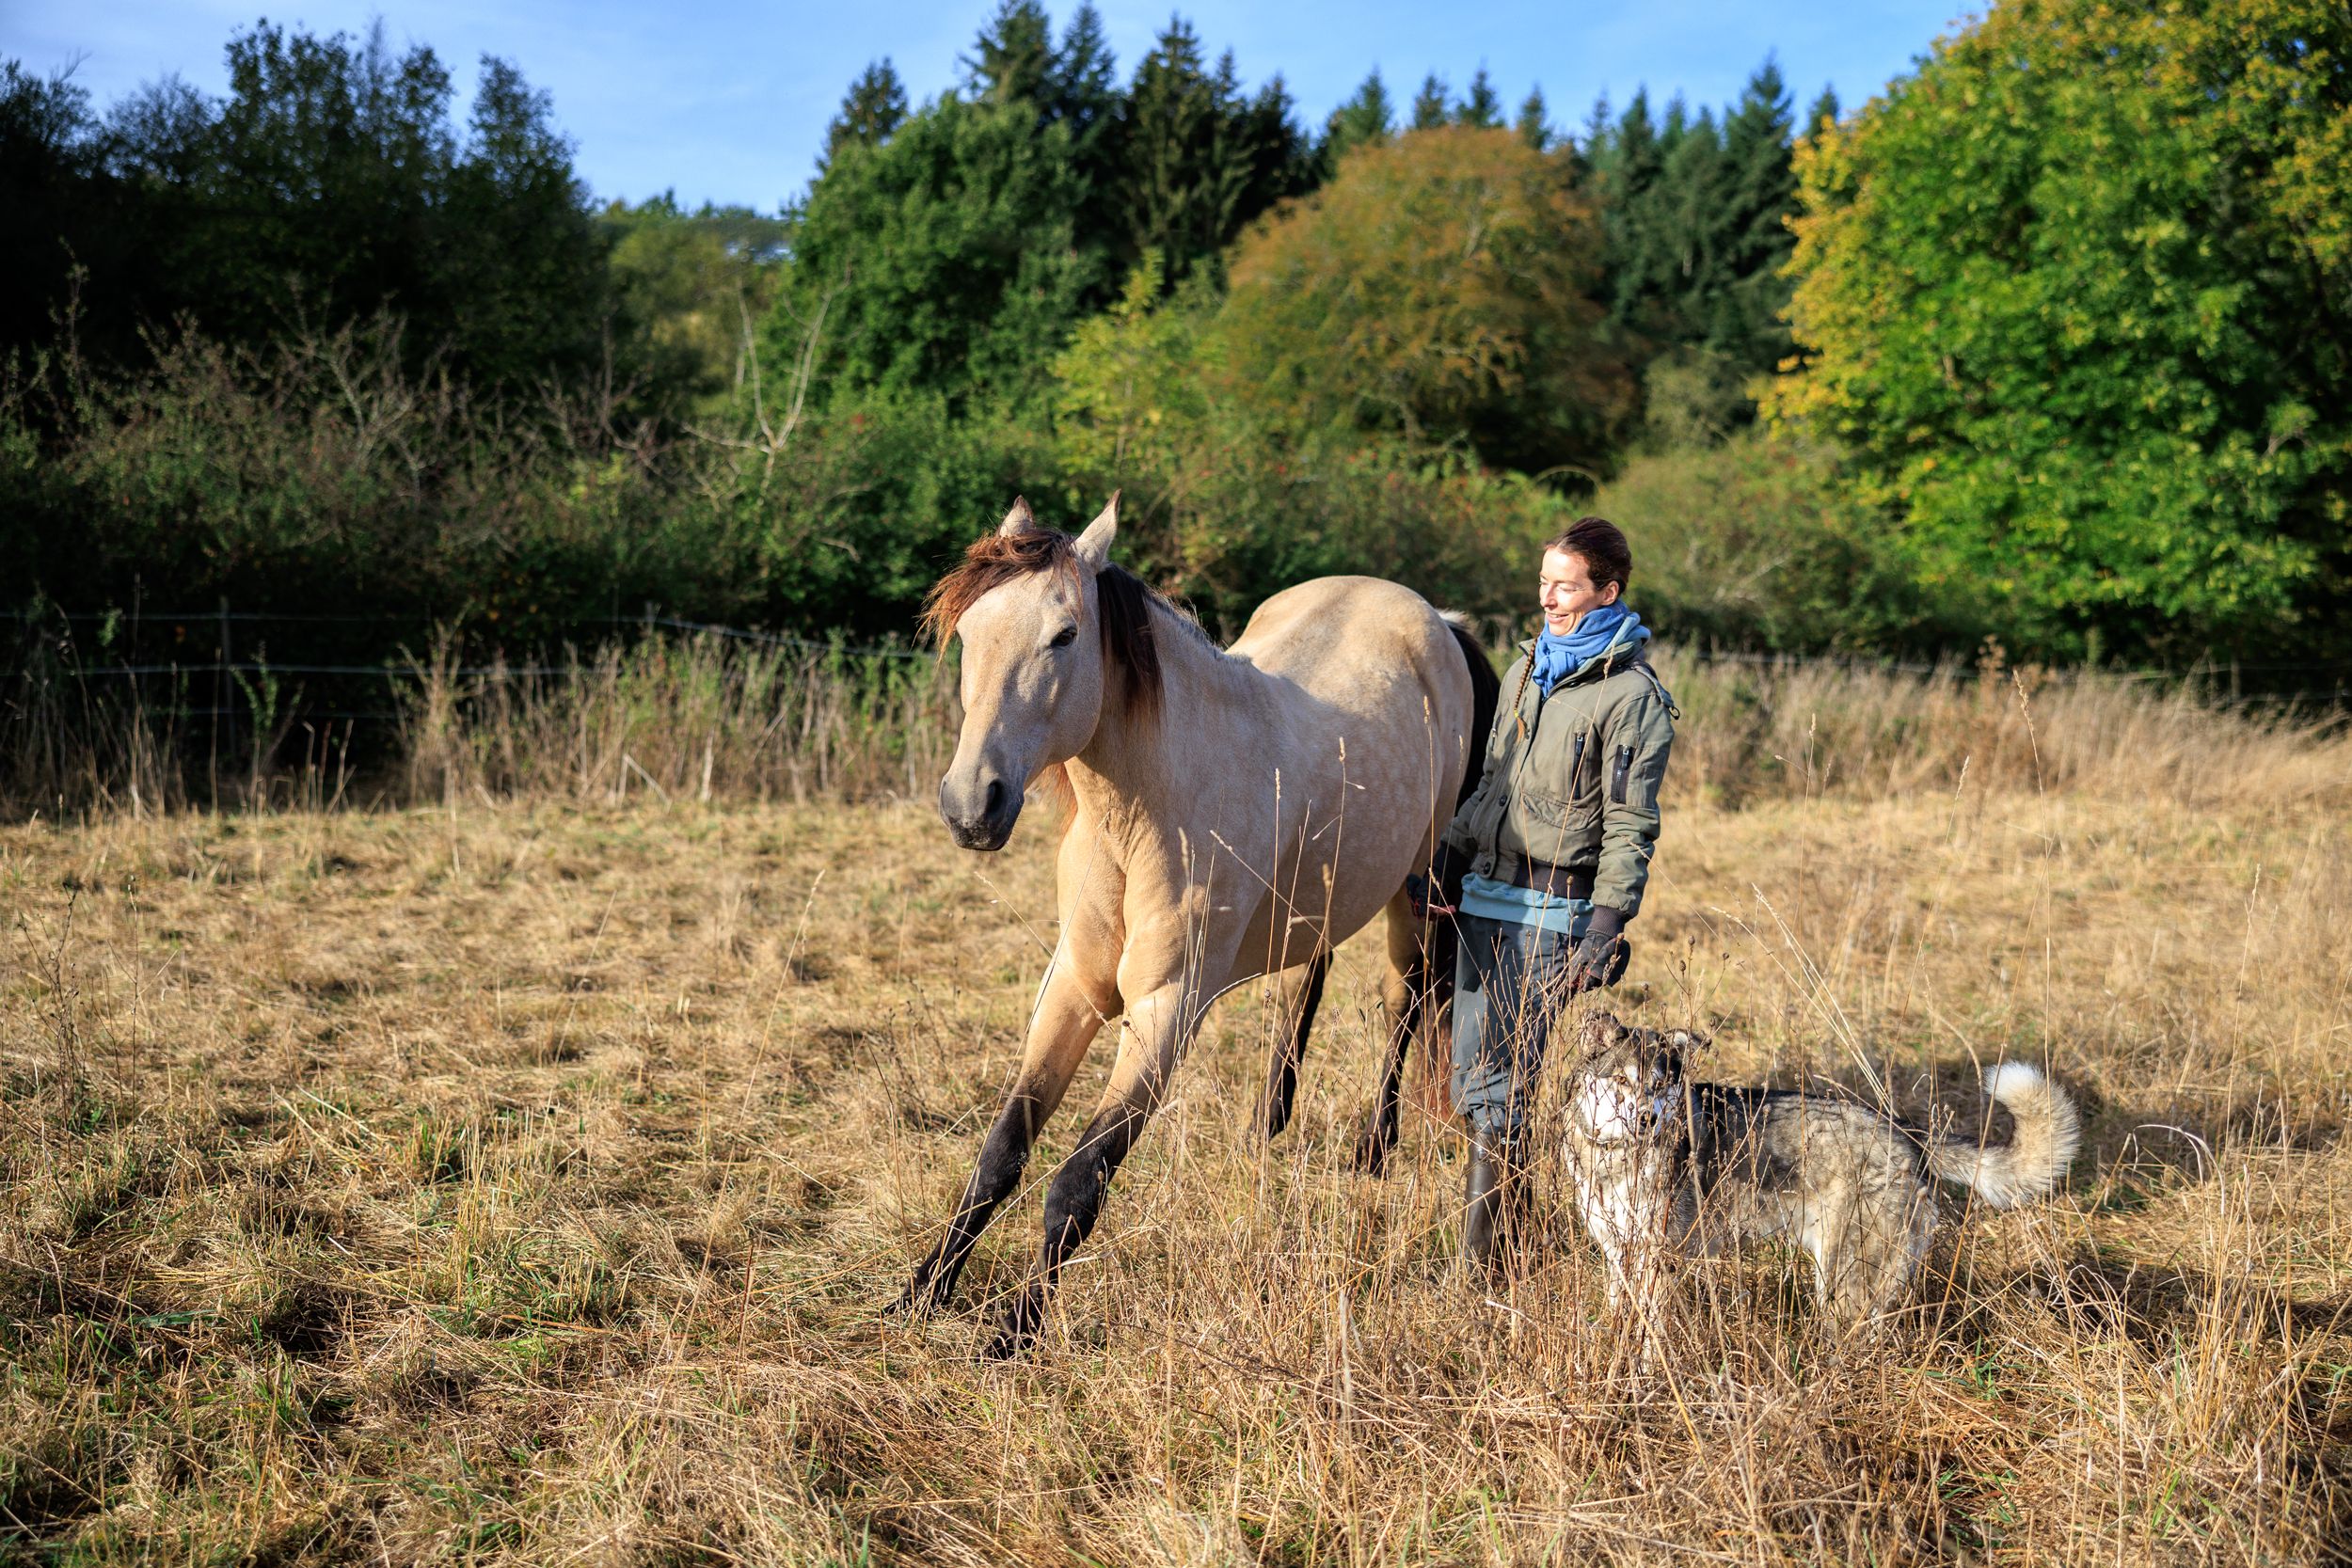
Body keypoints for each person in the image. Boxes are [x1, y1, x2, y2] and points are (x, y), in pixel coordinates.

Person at [1416, 516, 1677, 1269]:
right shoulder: (1529, 665)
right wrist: (1446, 854)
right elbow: (1493, 775)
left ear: (1607, 591)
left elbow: (1632, 825)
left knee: (1501, 1073)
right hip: (1481, 895)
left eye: (1565, 585)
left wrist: (1606, 925)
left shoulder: (1633, 699)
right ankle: (1515, 1232)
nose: (1548, 598)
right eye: (1543, 583)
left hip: (1553, 910)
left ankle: (1478, 1261)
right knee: (1470, 1070)